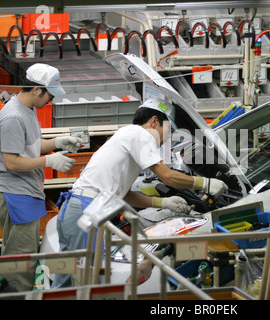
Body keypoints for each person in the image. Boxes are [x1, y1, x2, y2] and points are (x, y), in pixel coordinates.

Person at [52, 98, 228, 288]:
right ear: (154, 121)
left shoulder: (127, 135)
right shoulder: (140, 135)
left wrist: (162, 203)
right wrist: (205, 183)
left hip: (76, 209)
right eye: (168, 129)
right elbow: (167, 176)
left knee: (67, 281)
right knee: (91, 284)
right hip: (86, 211)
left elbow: (125, 194)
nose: (168, 137)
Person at [0, 63, 84, 292]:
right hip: (16, 195)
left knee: (18, 257)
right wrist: (48, 161)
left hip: (25, 193)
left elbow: (29, 146)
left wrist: (55, 143)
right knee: (20, 265)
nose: (50, 101)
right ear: (36, 90)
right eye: (49, 95)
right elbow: (12, 162)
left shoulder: (27, 110)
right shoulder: (13, 117)